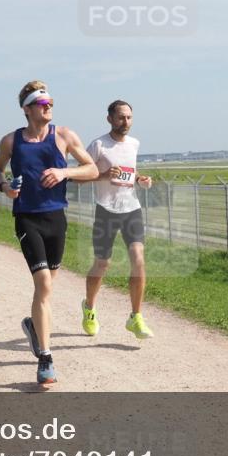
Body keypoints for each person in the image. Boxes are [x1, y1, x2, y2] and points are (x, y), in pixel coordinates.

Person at [0, 81, 97, 385]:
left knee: (47, 287)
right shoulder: (11, 141)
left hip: (56, 219)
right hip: (27, 219)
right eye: (41, 102)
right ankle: (46, 358)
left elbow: (91, 170)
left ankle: (34, 327)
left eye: (50, 101)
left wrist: (65, 172)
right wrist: (4, 187)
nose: (48, 106)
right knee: (43, 285)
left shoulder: (64, 135)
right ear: (27, 109)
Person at [80, 100, 154, 340]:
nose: (126, 122)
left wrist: (141, 179)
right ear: (110, 118)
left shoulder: (134, 144)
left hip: (131, 208)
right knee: (103, 264)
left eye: (129, 118)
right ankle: (89, 308)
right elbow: (79, 175)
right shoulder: (99, 145)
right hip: (106, 210)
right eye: (121, 117)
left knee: (138, 259)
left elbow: (130, 173)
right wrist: (101, 174)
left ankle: (136, 317)